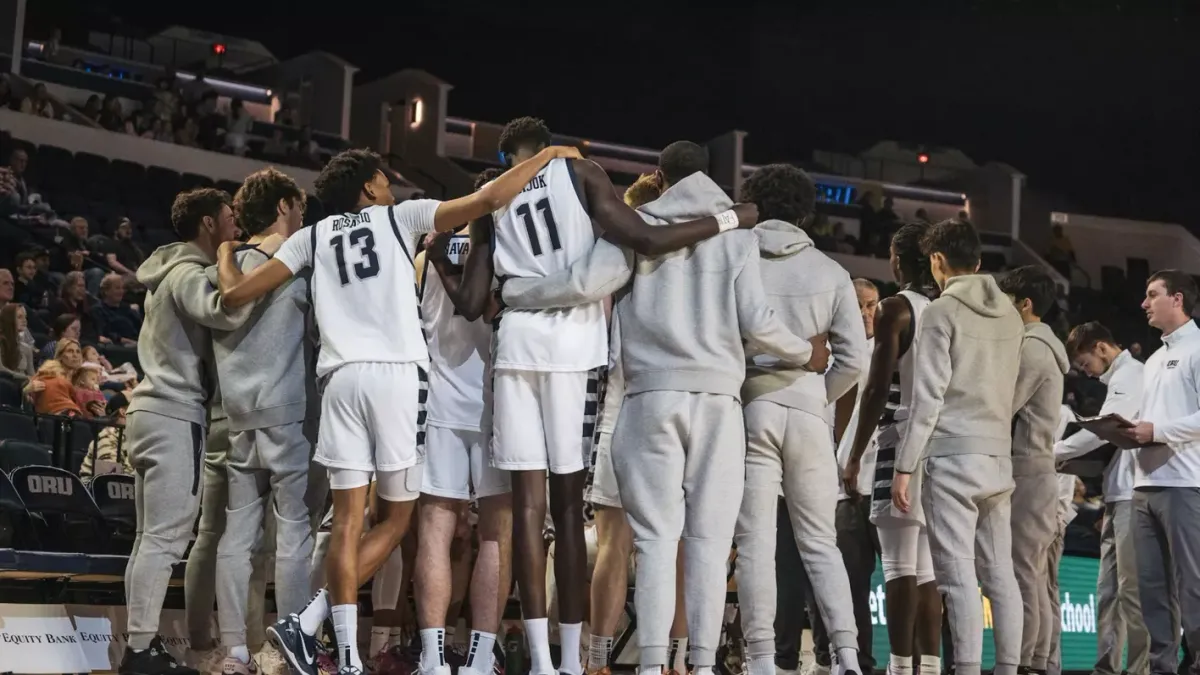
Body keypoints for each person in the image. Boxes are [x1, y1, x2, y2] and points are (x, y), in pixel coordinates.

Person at [215, 144, 584, 675]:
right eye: (384, 177)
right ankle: (313, 626)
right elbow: (488, 197)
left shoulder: (310, 236)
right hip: (394, 377)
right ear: (368, 188)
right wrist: (546, 156)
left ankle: (340, 652)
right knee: (396, 519)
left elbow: (235, 296)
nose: (391, 182)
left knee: (346, 522)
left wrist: (227, 251)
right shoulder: (401, 218)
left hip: (338, 379)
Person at [435, 125, 758, 675]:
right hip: (578, 351)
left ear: (507, 155)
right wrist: (733, 218)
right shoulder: (582, 173)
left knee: (529, 511)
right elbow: (647, 241)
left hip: (517, 348)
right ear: (553, 146)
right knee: (571, 512)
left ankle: (541, 659)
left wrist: (447, 262)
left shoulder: (493, 200)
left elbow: (470, 303)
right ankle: (580, 659)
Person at [499, 141, 826, 675]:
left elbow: (584, 285)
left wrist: (517, 294)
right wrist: (806, 352)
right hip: (719, 403)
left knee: (652, 542)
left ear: (660, 175)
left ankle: (650, 666)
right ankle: (698, 662)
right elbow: (759, 323)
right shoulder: (736, 235)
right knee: (709, 543)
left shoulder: (639, 222)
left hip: (651, 397)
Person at [730, 163, 867, 675]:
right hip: (809, 414)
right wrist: (815, 394)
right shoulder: (831, 271)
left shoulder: (738, 258)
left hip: (751, 407)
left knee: (756, 543)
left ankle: (761, 659)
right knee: (821, 544)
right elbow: (854, 360)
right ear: (806, 211)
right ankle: (847, 658)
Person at [118, 188, 251, 675]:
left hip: (148, 409)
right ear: (208, 224)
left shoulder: (164, 269)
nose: (235, 223)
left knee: (148, 539)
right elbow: (227, 309)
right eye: (228, 217)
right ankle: (138, 654)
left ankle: (140, 645)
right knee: (166, 540)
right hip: (174, 413)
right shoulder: (188, 272)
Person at [889, 219, 1025, 675]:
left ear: (937, 261)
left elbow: (927, 398)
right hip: (998, 459)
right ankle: (1008, 667)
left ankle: (966, 668)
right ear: (980, 261)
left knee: (959, 576)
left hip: (952, 458)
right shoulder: (1010, 312)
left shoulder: (941, 312)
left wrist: (904, 467)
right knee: (1000, 575)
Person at [209, 168, 317, 675]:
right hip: (287, 410)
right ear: (281, 207)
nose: (302, 217)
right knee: (294, 530)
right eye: (297, 208)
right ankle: (288, 647)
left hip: (237, 413)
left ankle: (233, 650)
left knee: (238, 534)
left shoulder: (221, 266)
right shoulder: (293, 263)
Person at [411, 169, 513, 675]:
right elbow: (482, 308)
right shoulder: (509, 244)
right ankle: (476, 662)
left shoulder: (432, 242)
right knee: (495, 533)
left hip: (441, 396)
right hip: (501, 402)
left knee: (435, 528)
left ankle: (431, 657)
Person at [842, 224, 942, 675]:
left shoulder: (896, 308)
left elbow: (878, 386)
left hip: (898, 436)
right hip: (940, 443)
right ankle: (930, 665)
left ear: (899, 259)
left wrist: (856, 452)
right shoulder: (947, 309)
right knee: (925, 571)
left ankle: (901, 667)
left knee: (900, 565)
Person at [1119, 270, 1200, 675]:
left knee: (1193, 589)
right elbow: (1152, 419)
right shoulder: (1152, 360)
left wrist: (1159, 430)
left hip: (1186, 485)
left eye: (1152, 295)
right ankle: (1161, 669)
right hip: (1144, 486)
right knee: (1151, 591)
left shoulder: (1199, 348)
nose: (1144, 303)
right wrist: (1125, 430)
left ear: (1178, 299)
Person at [1055, 321, 1148, 675]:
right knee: (1109, 591)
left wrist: (1056, 451)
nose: (1087, 374)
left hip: (1133, 496)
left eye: (1085, 365)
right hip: (1117, 494)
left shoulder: (1131, 375)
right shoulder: (1120, 379)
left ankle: (1140, 669)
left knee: (1131, 591)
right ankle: (1106, 668)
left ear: (1101, 348)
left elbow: (1107, 429)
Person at [999, 266, 1070, 675]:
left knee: (1023, 573)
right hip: (1038, 471)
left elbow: (1003, 404)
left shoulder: (1033, 348)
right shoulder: (1045, 346)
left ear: (1025, 304)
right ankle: (1038, 660)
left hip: (1028, 471)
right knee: (1034, 575)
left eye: (1009, 301)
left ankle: (1025, 661)